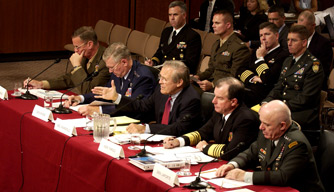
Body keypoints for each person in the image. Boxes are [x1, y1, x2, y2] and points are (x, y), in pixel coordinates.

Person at [215, 100, 324, 192]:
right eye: (261, 122)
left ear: (282, 125)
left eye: (266, 124)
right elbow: (250, 153)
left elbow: (283, 176)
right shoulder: (268, 133)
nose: (261, 127)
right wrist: (233, 165)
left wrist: (244, 176)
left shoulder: (296, 144)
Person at [92, 60, 201, 136]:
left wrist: (145, 128)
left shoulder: (191, 100)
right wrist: (117, 97)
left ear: (179, 82)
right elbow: (143, 106)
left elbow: (178, 128)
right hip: (160, 139)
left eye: (164, 79)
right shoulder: (161, 90)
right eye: (160, 77)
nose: (160, 82)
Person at [163, 77, 259, 160]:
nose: (213, 101)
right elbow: (202, 133)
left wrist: (205, 147)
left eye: (220, 98)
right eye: (214, 96)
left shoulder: (245, 119)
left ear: (233, 102)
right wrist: (177, 141)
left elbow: (231, 151)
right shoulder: (220, 112)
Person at [64, 42, 157, 116]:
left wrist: (99, 110)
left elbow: (134, 108)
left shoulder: (143, 77)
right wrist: (80, 98)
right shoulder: (119, 72)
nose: (110, 71)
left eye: (112, 67)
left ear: (124, 62)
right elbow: (104, 94)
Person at [262, 25, 324, 131]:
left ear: (304, 43)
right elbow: (279, 86)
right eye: (288, 40)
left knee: (270, 121)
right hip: (285, 108)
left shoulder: (313, 65)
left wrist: (279, 108)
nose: (289, 44)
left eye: (293, 40)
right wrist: (266, 102)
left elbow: (306, 98)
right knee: (253, 115)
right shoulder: (288, 61)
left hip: (302, 112)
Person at [23, 26, 110, 94]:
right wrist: (41, 84)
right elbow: (70, 79)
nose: (75, 50)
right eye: (74, 47)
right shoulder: (86, 56)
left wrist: (77, 66)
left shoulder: (106, 61)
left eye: (77, 47)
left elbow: (88, 90)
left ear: (89, 44)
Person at [192, 10, 250, 92]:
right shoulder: (216, 44)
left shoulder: (239, 47)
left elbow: (234, 76)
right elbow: (211, 69)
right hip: (212, 83)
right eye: (213, 23)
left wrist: (213, 85)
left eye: (217, 23)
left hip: (226, 89)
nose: (213, 26)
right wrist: (198, 77)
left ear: (228, 25)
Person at [238, 22, 289, 107]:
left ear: (276, 36)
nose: (263, 38)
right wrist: (253, 78)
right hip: (247, 90)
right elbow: (239, 70)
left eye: (267, 34)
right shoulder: (256, 51)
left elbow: (267, 79)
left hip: (264, 96)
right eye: (261, 35)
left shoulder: (283, 55)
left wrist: (260, 58)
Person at [144, 1, 202, 74]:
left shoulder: (192, 36)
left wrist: (167, 68)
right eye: (170, 15)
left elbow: (190, 64)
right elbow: (160, 52)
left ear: (184, 15)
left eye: (175, 15)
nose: (172, 18)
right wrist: (153, 62)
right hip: (162, 71)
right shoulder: (166, 32)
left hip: (177, 74)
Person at [297, 10, 333, 90]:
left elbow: (322, 71)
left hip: (313, 85)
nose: (300, 31)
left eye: (304, 28)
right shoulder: (295, 40)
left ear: (313, 25)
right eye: (299, 28)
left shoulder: (323, 44)